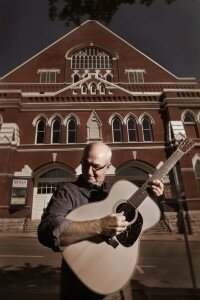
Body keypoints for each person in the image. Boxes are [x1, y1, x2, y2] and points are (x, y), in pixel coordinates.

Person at [38, 142, 164, 300]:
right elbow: (47, 230)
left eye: (96, 167)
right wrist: (100, 225)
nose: (89, 172)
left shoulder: (116, 192)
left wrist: (152, 196)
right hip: (81, 286)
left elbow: (138, 220)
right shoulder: (67, 193)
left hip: (119, 284)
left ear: (108, 166)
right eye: (85, 164)